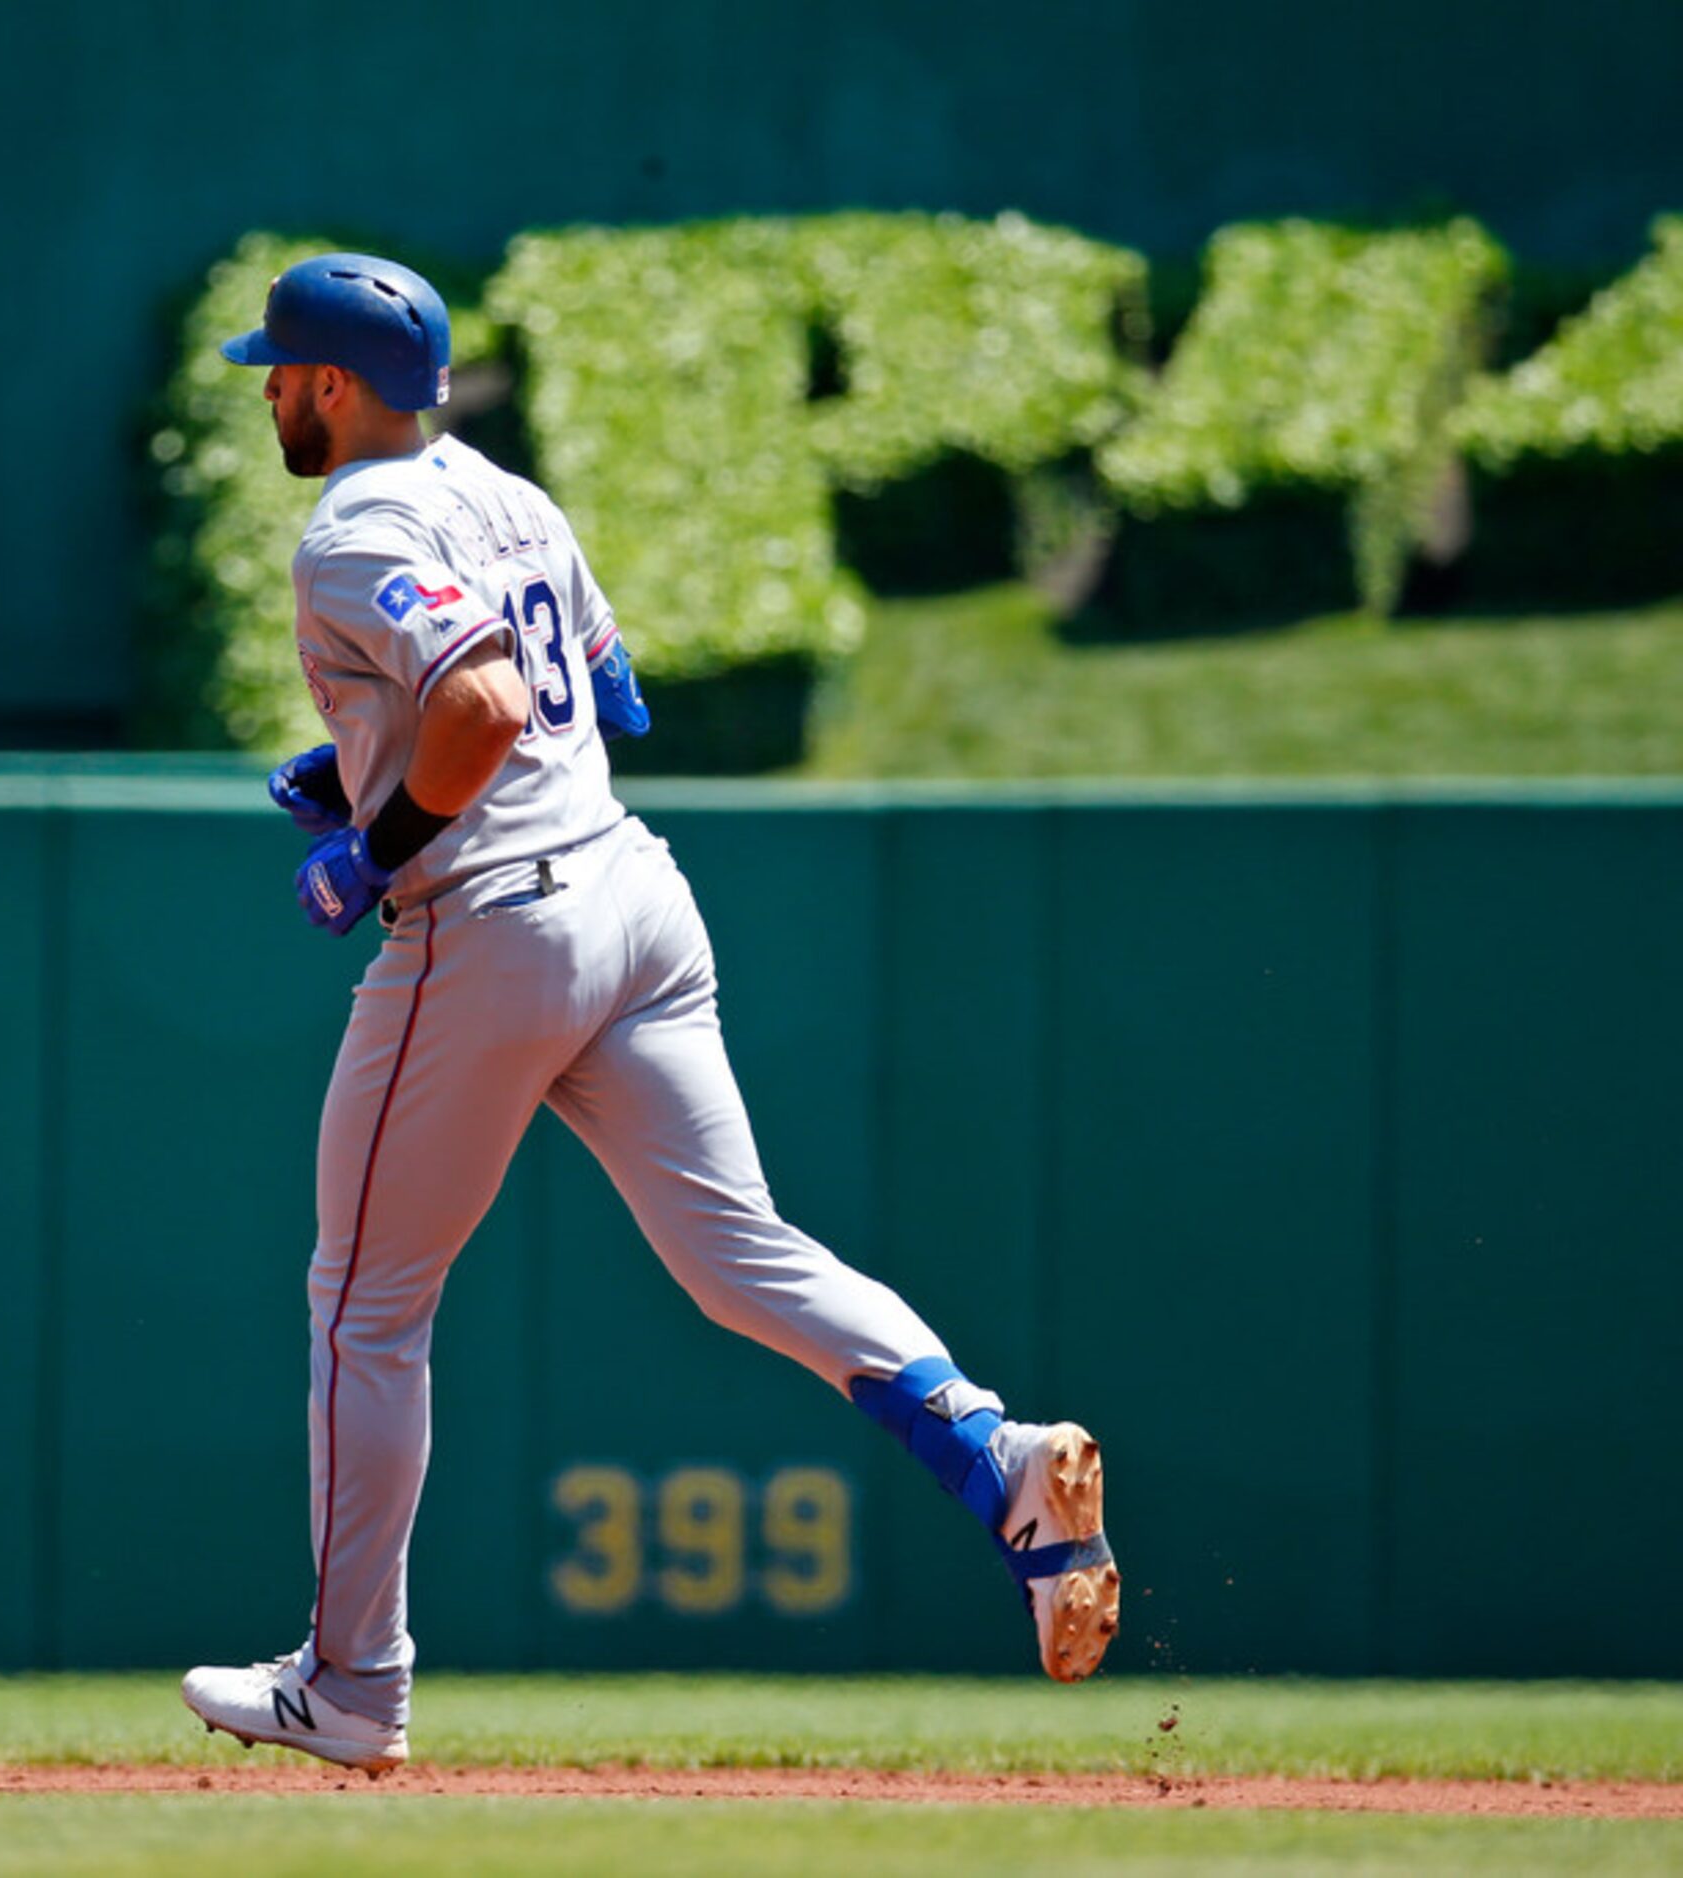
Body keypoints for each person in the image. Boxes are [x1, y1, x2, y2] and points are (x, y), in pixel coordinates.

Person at [178, 256, 1119, 1775]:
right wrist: (361, 744)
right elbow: (605, 695)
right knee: (743, 1254)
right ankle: (998, 1458)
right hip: (635, 897)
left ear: (337, 384)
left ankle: (353, 1680)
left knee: (364, 1306)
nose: (271, 388)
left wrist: (378, 836)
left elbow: (485, 710)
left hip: (496, 924)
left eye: (281, 369)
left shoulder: (352, 522)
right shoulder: (510, 494)